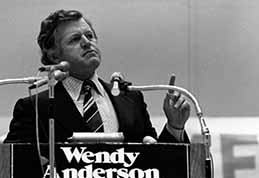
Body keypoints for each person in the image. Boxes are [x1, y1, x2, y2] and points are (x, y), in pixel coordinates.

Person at [4, 9, 190, 144]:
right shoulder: (34, 108)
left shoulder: (131, 99)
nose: (87, 43)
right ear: (54, 55)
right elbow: (12, 171)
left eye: (90, 36)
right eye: (75, 39)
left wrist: (175, 126)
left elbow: (158, 164)